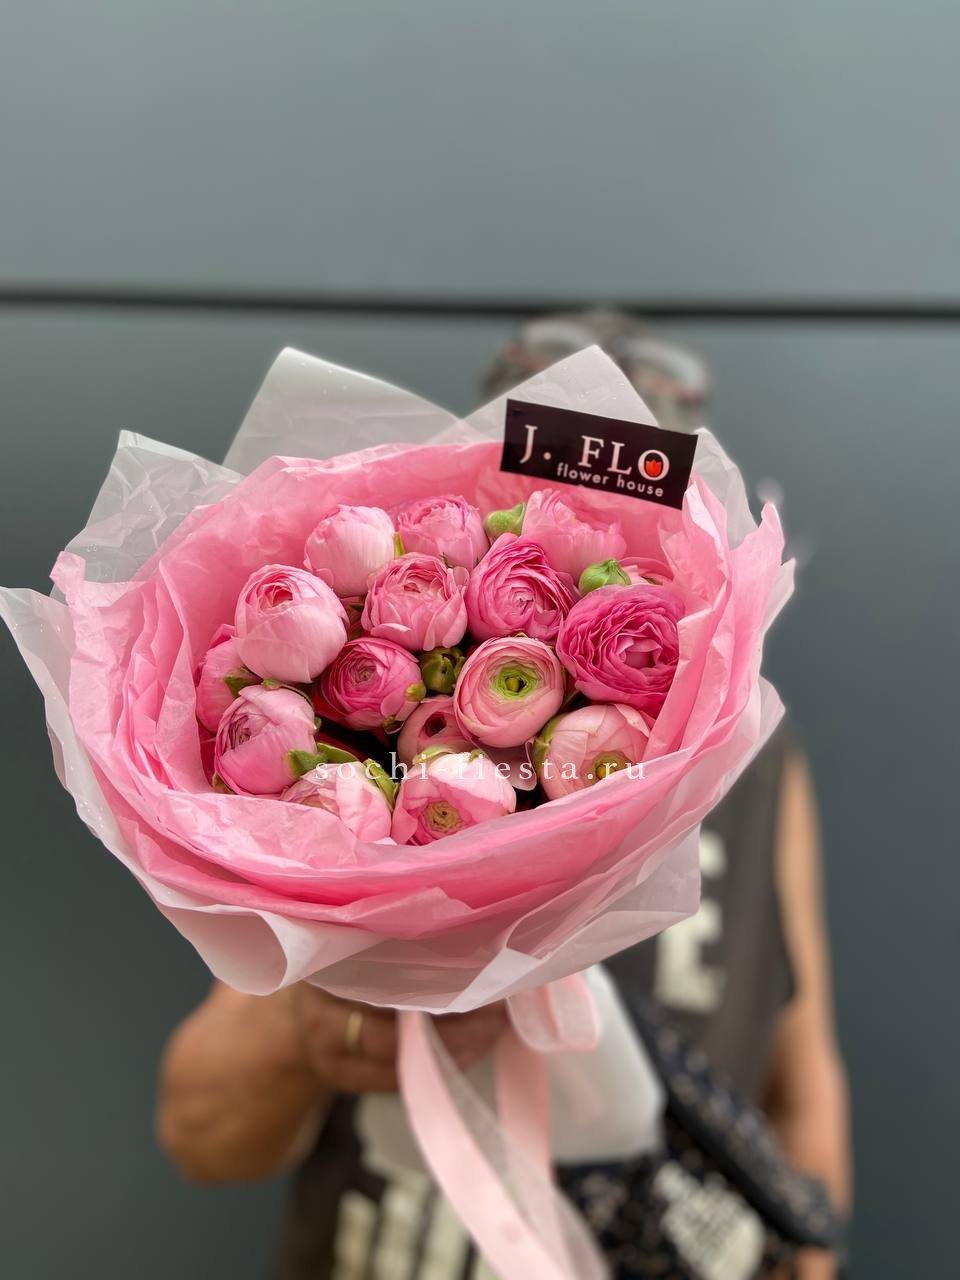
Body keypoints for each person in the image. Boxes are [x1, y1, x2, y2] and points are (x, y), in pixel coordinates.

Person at [157, 312, 851, 1279]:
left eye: (645, 524)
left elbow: (801, 1071)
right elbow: (202, 1132)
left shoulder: (766, 764)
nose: (604, 549)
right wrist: (337, 1003)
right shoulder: (362, 752)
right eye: (553, 508)